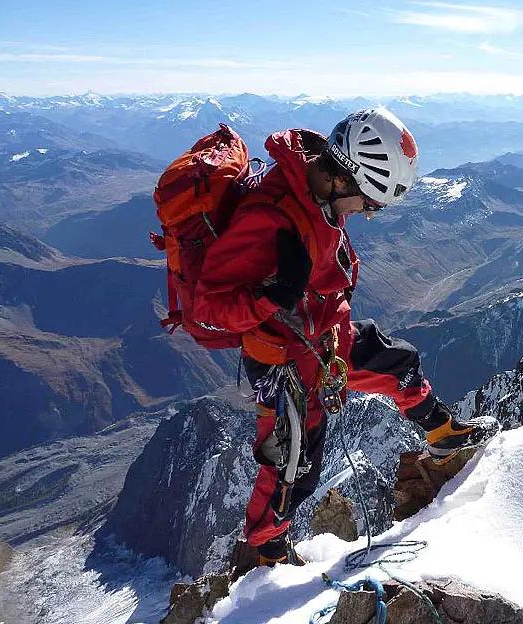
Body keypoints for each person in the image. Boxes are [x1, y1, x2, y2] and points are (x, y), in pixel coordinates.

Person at [192, 108, 499, 566]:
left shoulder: (317, 194)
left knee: (397, 361)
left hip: (325, 338)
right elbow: (206, 313)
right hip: (283, 360)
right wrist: (271, 297)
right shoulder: (269, 219)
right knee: (292, 463)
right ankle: (267, 555)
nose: (369, 215)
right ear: (342, 180)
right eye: (369, 203)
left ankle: (441, 432)